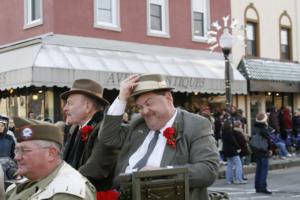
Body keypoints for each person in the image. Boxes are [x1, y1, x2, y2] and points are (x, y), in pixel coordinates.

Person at [100, 74, 219, 200]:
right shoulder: (138, 124)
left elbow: (208, 170)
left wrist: (161, 173)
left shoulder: (195, 124)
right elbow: (107, 138)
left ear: (168, 98)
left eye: (149, 103)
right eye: (140, 107)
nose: (145, 111)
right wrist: (121, 97)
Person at [5, 117, 96, 200]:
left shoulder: (68, 193)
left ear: (51, 154)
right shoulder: (28, 181)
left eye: (24, 150)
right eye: (16, 150)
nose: (17, 157)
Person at [61, 79, 119, 195]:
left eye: (70, 103)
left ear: (87, 107)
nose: (65, 108)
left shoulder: (105, 129)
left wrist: (60, 182)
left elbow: (95, 169)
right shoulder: (76, 128)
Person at [252, 112, 272, 194]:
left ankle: (257, 187)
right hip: (263, 151)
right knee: (264, 170)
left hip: (256, 150)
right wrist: (270, 149)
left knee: (258, 170)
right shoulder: (264, 129)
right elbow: (268, 141)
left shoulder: (254, 128)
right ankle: (263, 187)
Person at [221, 119, 246, 184]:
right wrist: (238, 147)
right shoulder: (229, 132)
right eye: (231, 124)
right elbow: (233, 141)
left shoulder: (223, 132)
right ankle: (238, 179)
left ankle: (229, 180)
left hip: (226, 150)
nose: (232, 125)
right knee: (238, 164)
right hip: (233, 150)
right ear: (229, 125)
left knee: (229, 165)